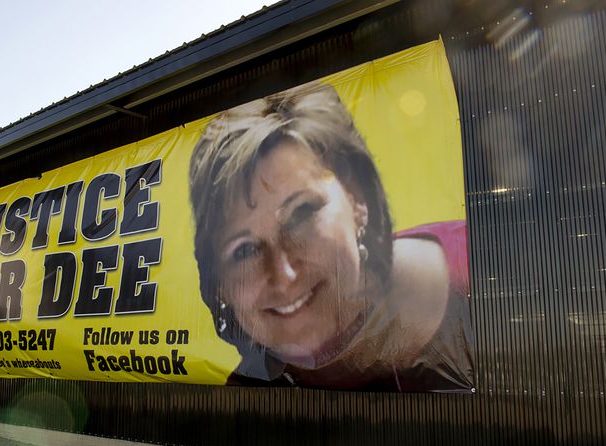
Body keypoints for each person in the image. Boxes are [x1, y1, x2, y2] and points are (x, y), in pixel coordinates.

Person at [189, 81, 473, 392]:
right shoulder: (246, 393)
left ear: (357, 199)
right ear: (221, 288)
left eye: (301, 214)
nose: (283, 274)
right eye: (244, 250)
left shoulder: (478, 266)